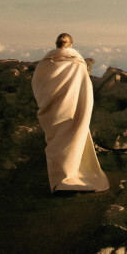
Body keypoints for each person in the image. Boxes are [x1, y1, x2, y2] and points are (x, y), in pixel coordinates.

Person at [30, 33, 110, 193]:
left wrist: (47, 103)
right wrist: (82, 109)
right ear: (71, 45)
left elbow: (36, 85)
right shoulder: (77, 64)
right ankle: (67, 179)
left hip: (50, 112)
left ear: (57, 44)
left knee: (55, 143)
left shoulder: (44, 64)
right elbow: (85, 89)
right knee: (70, 142)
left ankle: (58, 181)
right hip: (71, 111)